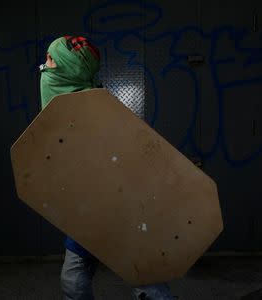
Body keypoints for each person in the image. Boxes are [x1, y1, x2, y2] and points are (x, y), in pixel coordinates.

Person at [39, 36, 175, 300]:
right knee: (73, 282)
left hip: (121, 211)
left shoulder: (103, 112)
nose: (44, 66)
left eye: (51, 60)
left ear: (71, 69)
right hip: (83, 214)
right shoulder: (55, 119)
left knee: (145, 281)